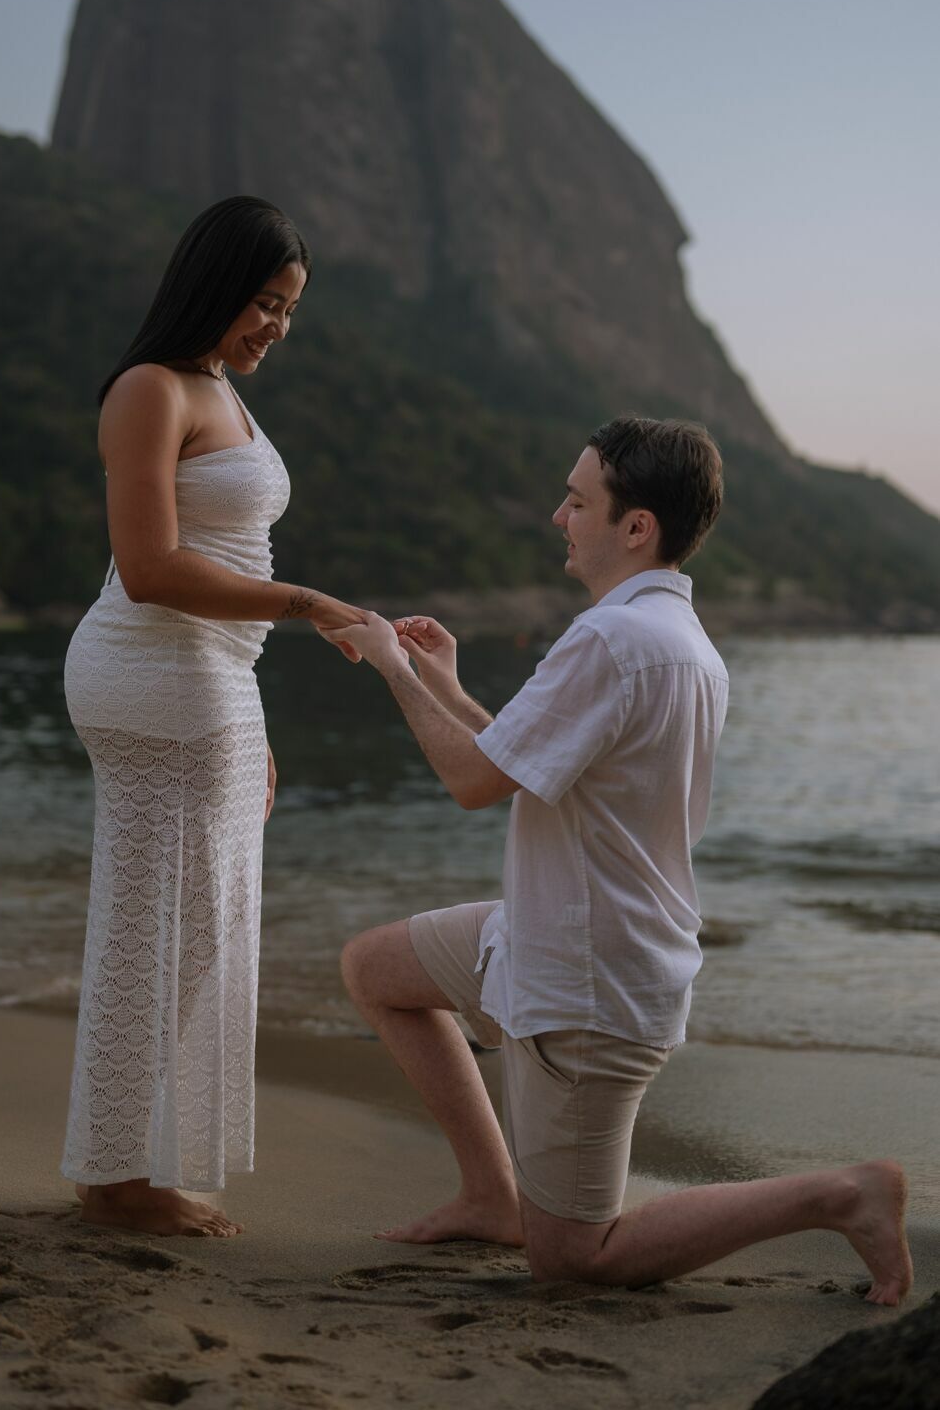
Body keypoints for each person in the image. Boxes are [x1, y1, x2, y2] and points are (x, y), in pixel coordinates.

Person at [327, 416, 912, 1305]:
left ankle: (843, 1194)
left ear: (636, 526)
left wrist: (391, 672)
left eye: (576, 500)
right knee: (377, 967)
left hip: (588, 983)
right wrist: (446, 685)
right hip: (553, 936)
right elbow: (530, 769)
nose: (558, 516)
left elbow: (473, 785)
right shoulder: (678, 643)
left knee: (575, 1260)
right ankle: (492, 1196)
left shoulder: (611, 641)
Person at [62, 196, 365, 1237]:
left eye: (288, 309)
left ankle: (118, 1165)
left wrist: (258, 719)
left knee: (193, 927)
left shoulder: (218, 388)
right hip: (149, 668)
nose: (275, 324)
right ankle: (114, 1179)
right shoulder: (150, 389)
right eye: (263, 301)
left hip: (210, 675)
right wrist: (308, 604)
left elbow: (231, 558)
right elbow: (148, 568)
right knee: (159, 922)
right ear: (212, 283)